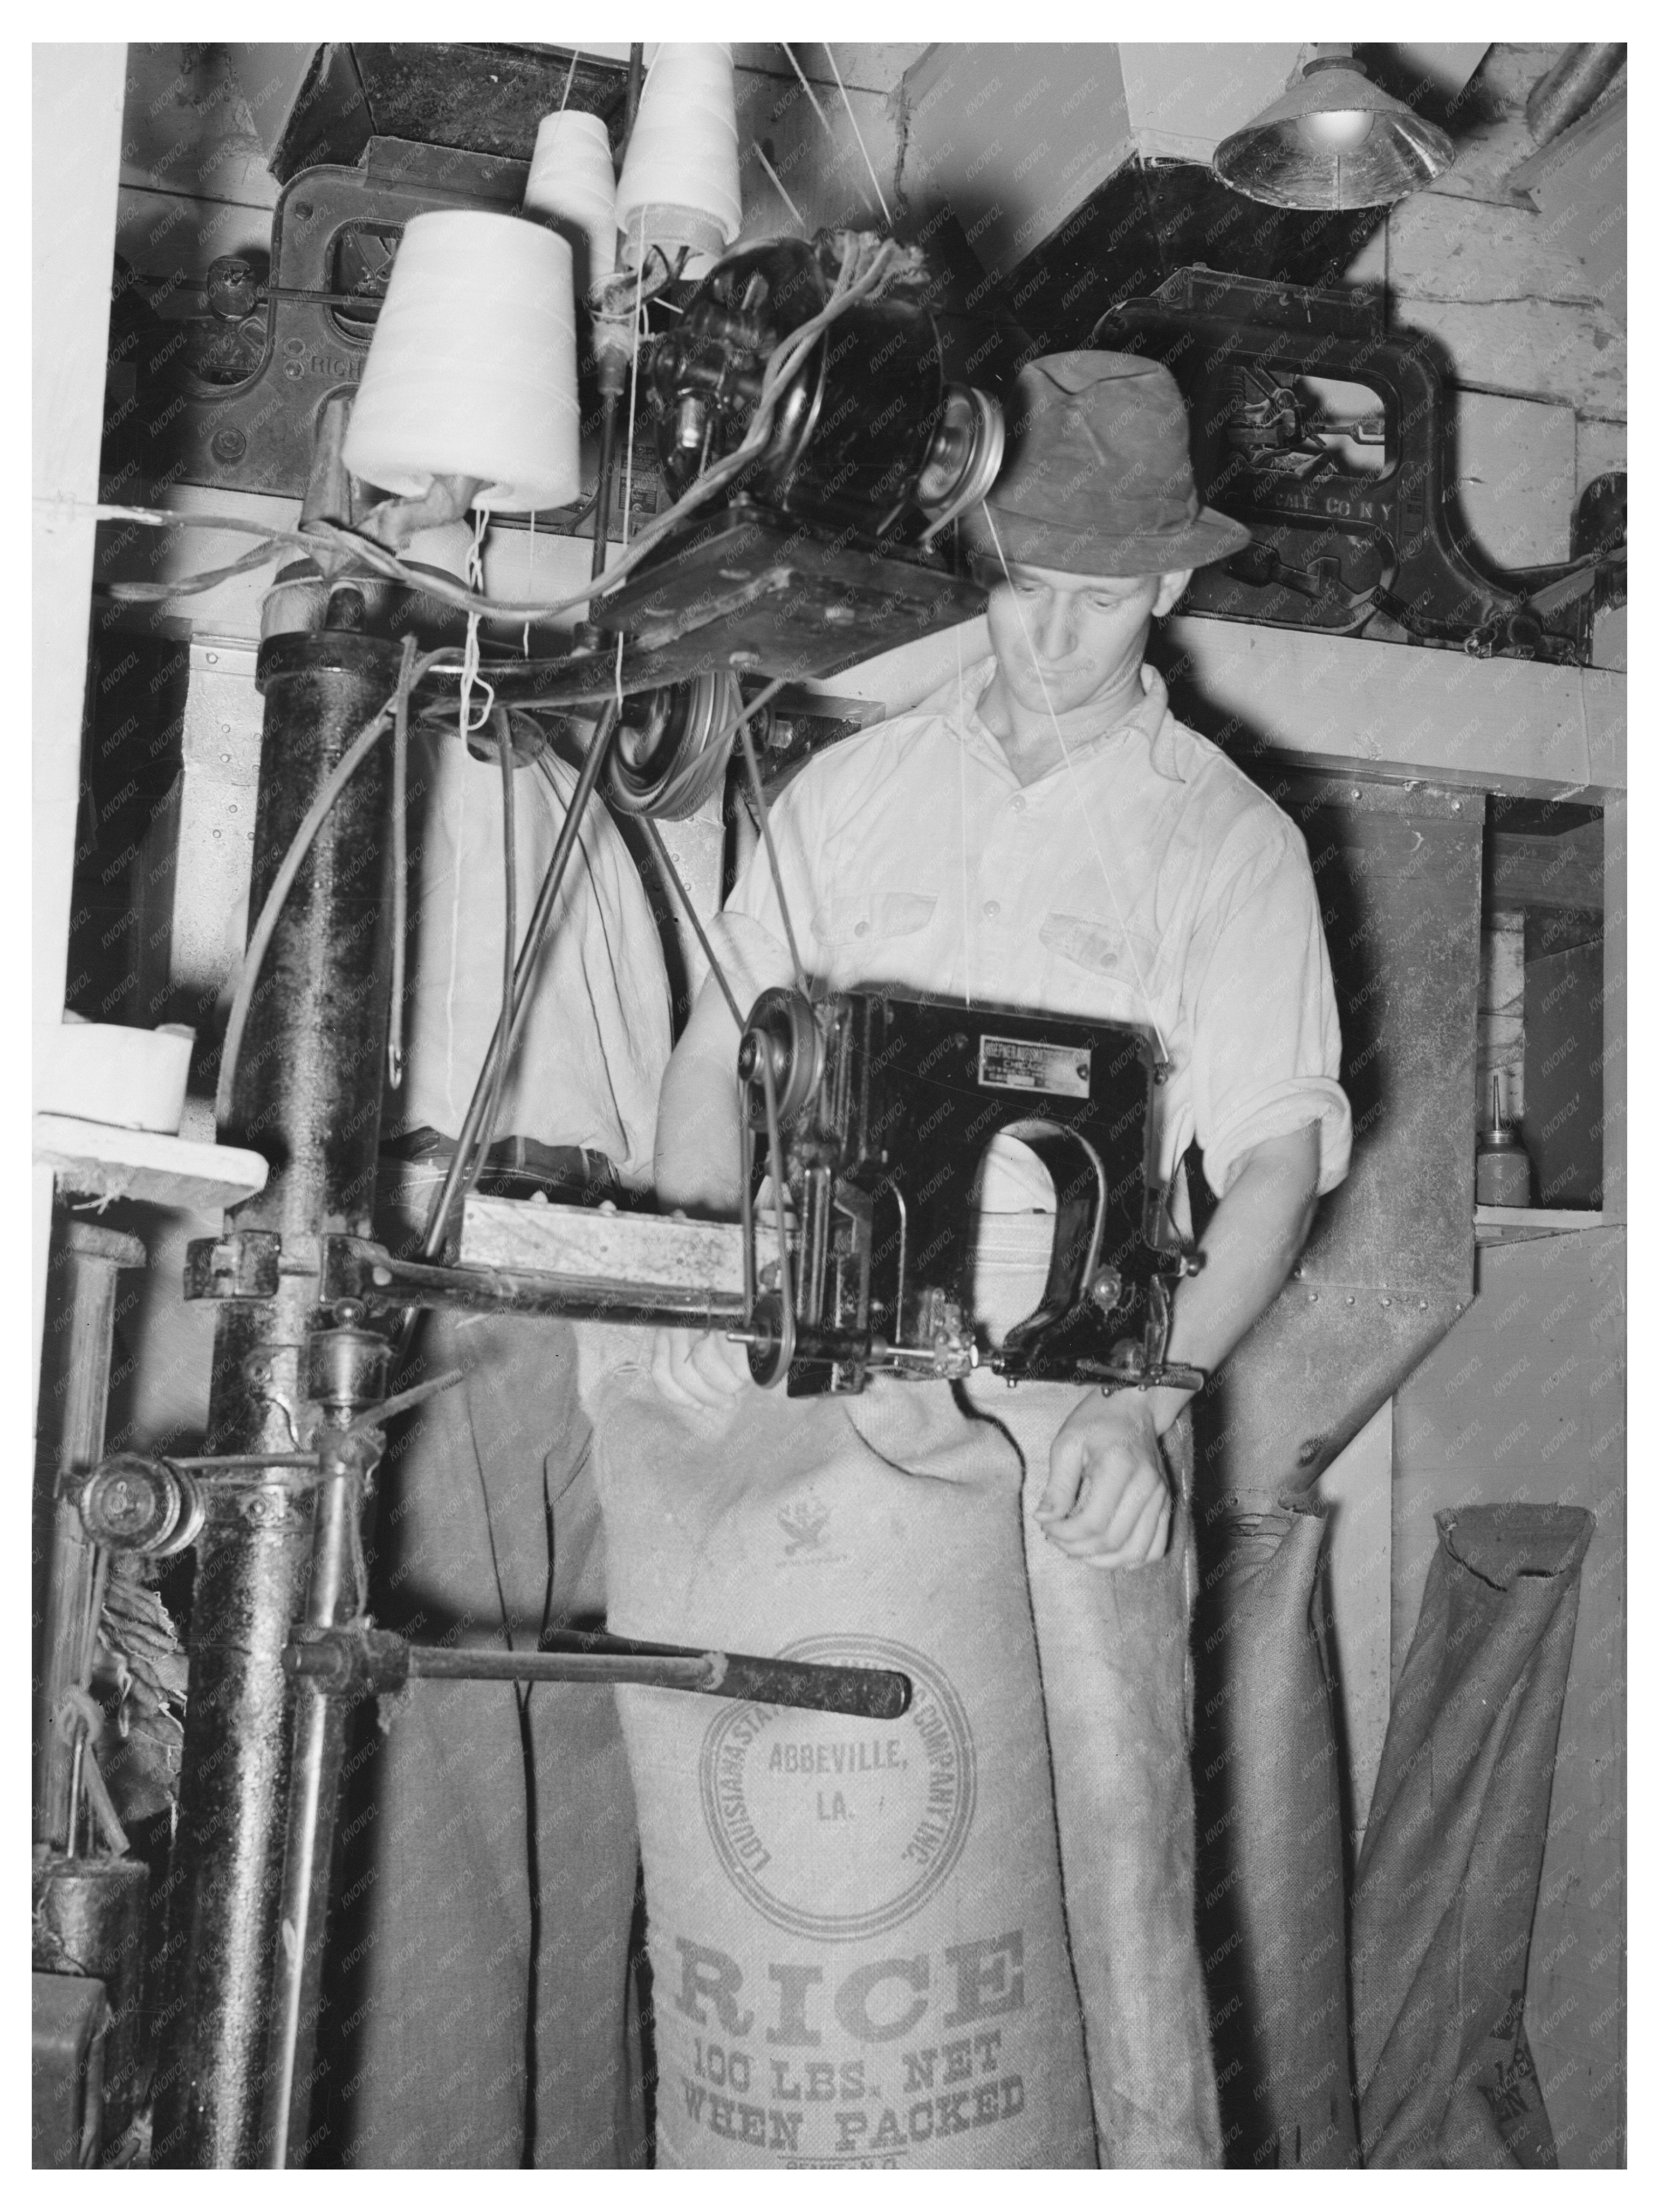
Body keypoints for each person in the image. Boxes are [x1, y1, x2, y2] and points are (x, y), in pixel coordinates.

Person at [644, 352, 1352, 2164]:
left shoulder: (1229, 840)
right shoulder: (851, 790)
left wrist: (1154, 1403)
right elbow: (718, 1057)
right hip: (831, 1359)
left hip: (1085, 1392)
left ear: (1174, 588)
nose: (1052, 638)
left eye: (1101, 598)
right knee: (803, 1824)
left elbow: (1273, 1167)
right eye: (1025, 585)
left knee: (1120, 1879)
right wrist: (688, 1288)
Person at [326, 709, 673, 2168]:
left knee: (604, 1745)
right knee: (450, 1764)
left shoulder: (612, 752)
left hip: (610, 1262)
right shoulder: (354, 735)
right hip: (431, 1256)